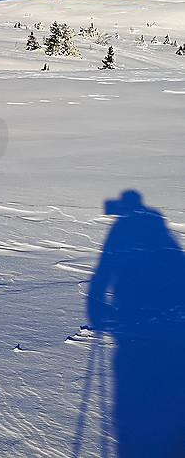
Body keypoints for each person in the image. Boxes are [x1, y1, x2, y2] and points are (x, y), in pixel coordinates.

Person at [87, 190, 185, 457]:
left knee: (137, 392)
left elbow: (103, 271)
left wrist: (96, 311)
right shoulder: (160, 229)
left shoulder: (121, 230)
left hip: (133, 320)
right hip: (171, 321)